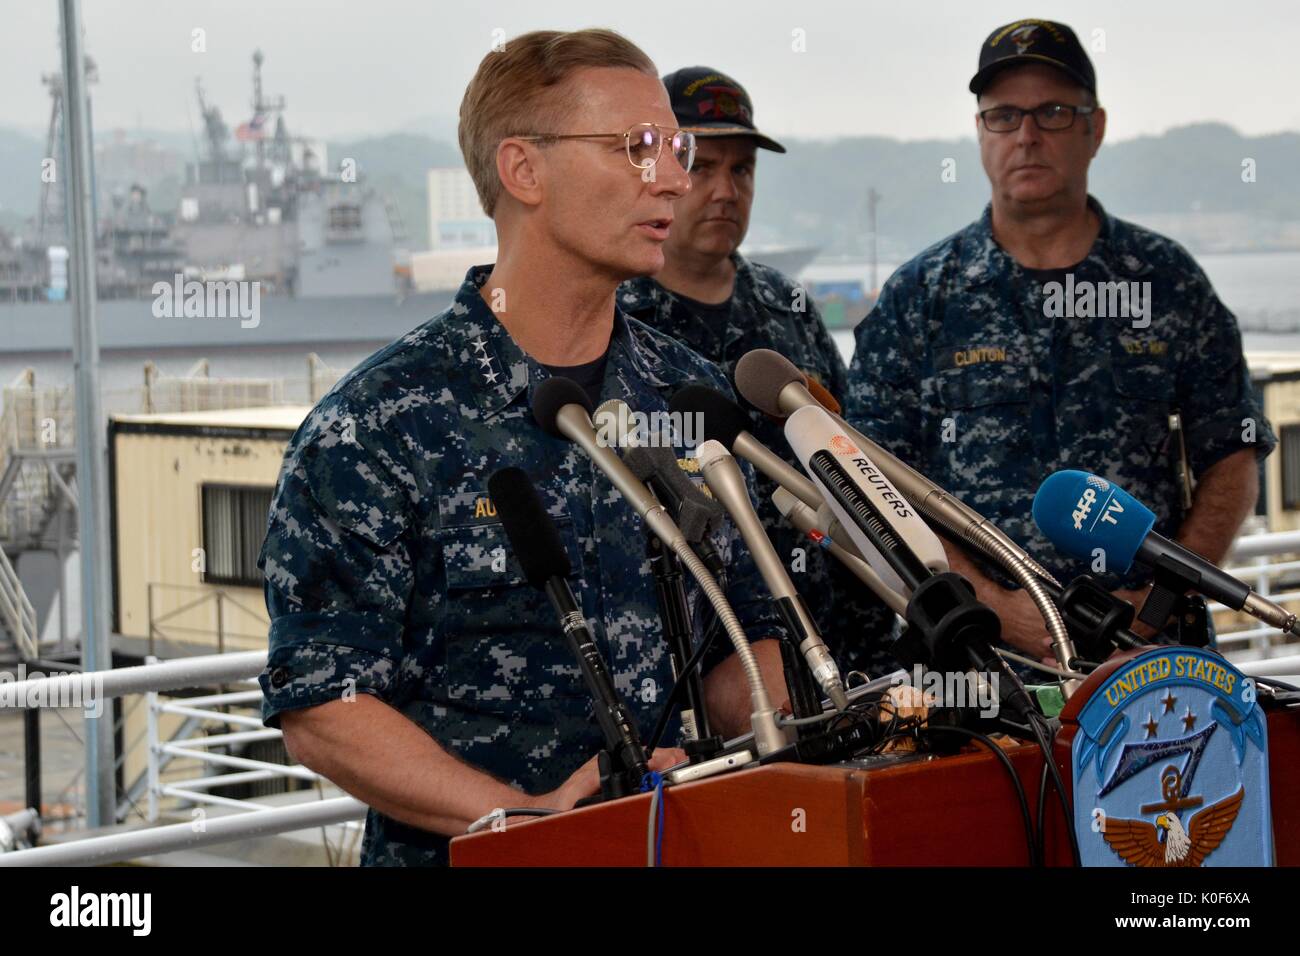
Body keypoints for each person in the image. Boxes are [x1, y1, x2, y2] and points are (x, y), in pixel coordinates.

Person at [256, 29, 791, 866]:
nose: (677, 180)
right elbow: (324, 704)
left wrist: (782, 739)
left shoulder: (691, 400)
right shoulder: (376, 426)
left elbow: (742, 636)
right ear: (524, 171)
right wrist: (529, 821)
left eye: (675, 149)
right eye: (637, 148)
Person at [845, 19, 1274, 661]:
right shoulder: (919, 298)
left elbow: (1232, 458)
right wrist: (994, 607)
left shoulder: (1168, 284)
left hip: (1156, 659)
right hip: (980, 667)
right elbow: (872, 483)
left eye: (1052, 112)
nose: (1027, 136)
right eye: (1003, 116)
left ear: (1094, 129)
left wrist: (1156, 606)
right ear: (979, 133)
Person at [619, 66, 897, 679]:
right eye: (704, 165)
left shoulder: (789, 311)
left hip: (826, 652)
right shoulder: (614, 321)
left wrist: (879, 662)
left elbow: (849, 474)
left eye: (741, 171)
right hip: (685, 666)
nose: (725, 190)